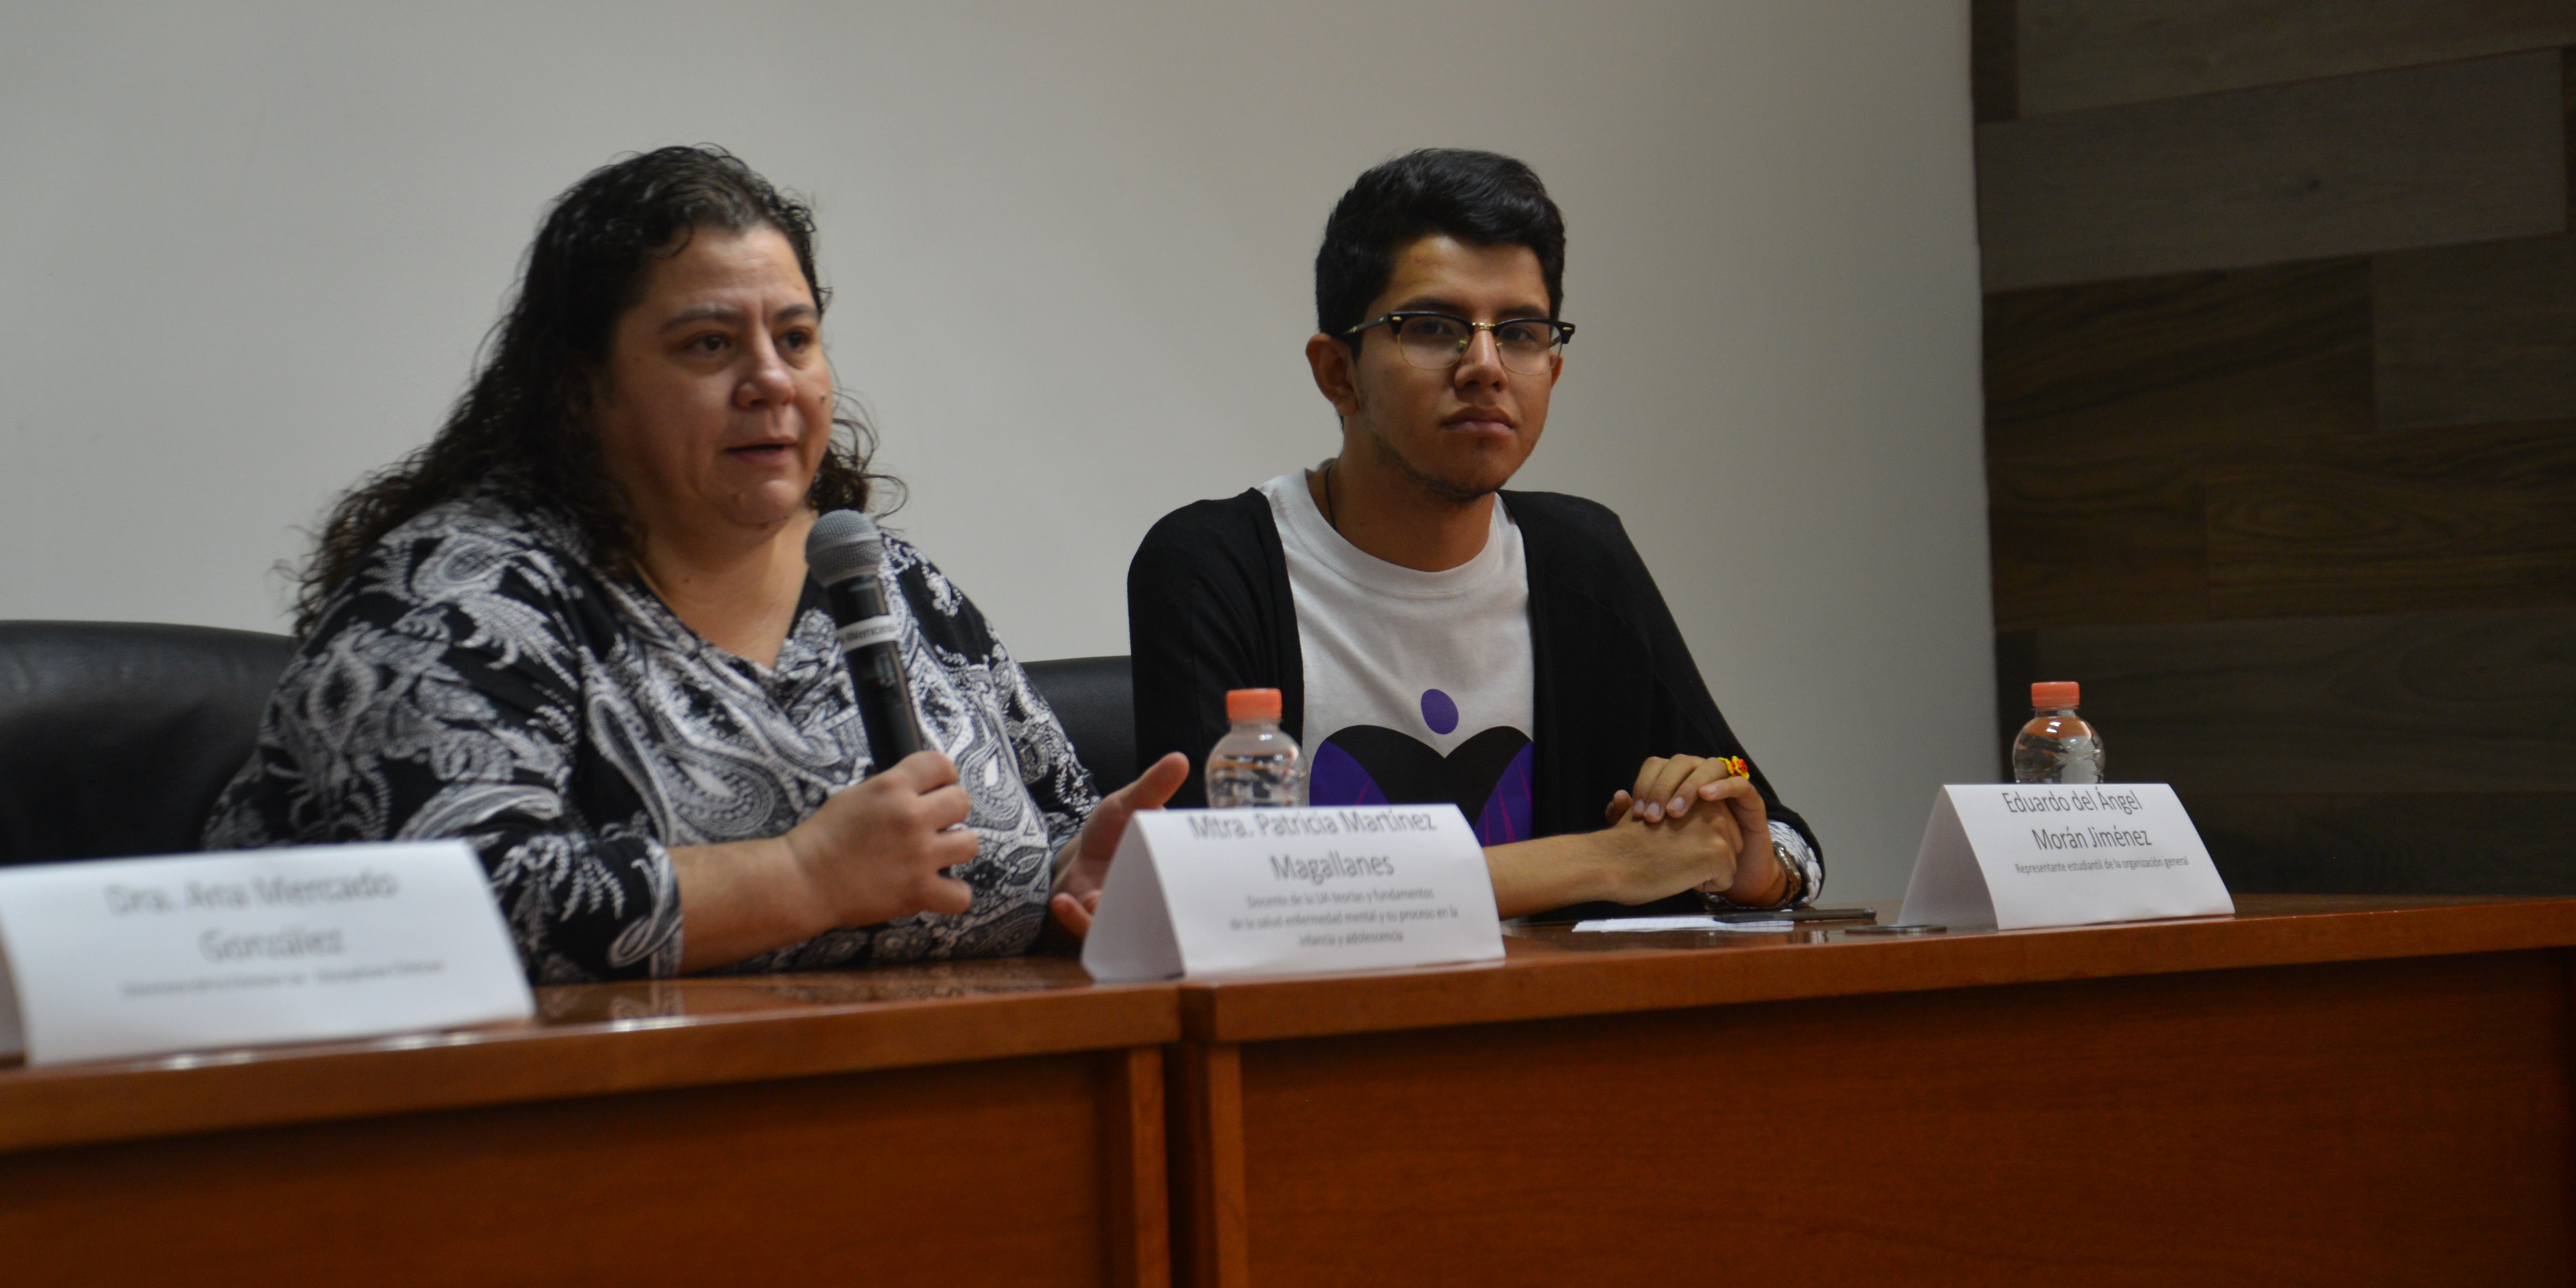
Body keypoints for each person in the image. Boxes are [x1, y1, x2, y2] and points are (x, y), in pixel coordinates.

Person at [205, 146, 1186, 979]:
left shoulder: (883, 580)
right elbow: (443, 907)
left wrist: (1074, 873)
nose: (769, 379)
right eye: (709, 343)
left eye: (794, 338)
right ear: (584, 388)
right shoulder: (460, 599)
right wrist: (801, 877)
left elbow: (1051, 818)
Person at [1127, 149, 1822, 916]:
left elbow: (1780, 830)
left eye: (1521, 333)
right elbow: (1215, 890)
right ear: (1337, 373)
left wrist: (1754, 864)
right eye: (1433, 327)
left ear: (1552, 372)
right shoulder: (1215, 564)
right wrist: (1606, 863)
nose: (1485, 365)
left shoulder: (1581, 558)